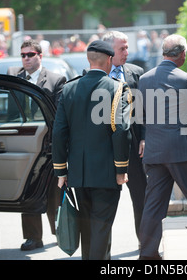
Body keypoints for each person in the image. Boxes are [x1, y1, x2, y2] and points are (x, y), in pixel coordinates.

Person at [0, 39, 66, 251]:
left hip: (48, 144)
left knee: (53, 192)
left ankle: (60, 232)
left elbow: (60, 115)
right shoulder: (14, 75)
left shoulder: (56, 80)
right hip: (23, 141)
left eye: (30, 54)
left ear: (40, 56)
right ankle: (33, 237)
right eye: (23, 55)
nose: (26, 59)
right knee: (27, 189)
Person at [53, 40, 132, 260]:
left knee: (88, 228)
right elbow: (121, 129)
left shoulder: (68, 89)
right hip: (106, 172)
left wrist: (61, 170)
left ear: (89, 60)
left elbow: (59, 132)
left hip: (78, 173)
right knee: (101, 229)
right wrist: (121, 168)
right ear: (109, 60)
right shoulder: (117, 88)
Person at [138, 34, 187, 260]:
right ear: (182, 54)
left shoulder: (144, 79)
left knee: (153, 206)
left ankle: (148, 255)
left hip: (155, 152)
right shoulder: (185, 79)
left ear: (163, 52)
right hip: (181, 151)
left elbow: (141, 115)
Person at [102, 31, 147, 245]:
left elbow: (145, 112)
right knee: (104, 203)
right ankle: (102, 251)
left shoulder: (137, 73)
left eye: (127, 47)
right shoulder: (94, 75)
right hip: (104, 151)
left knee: (141, 197)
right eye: (122, 48)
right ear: (109, 51)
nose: (127, 52)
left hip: (133, 149)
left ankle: (145, 243)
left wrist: (144, 138)